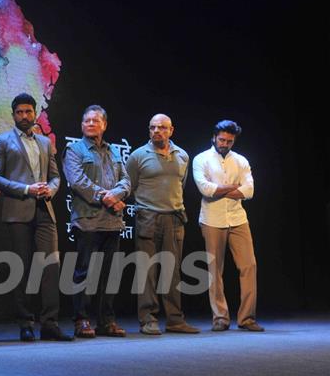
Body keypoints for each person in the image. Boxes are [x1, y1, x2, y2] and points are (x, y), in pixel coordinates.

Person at [0, 93, 73, 342]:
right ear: (13, 115)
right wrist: (27, 189)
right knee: (21, 267)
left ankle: (50, 323)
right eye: (19, 112)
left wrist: (52, 188)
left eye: (28, 111)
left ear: (35, 113)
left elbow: (56, 176)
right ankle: (25, 322)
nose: (24, 116)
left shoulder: (46, 143)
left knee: (50, 267)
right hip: (18, 209)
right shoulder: (2, 141)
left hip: (44, 209)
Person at [126, 114, 200, 335]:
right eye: (153, 127)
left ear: (171, 130)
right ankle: (148, 319)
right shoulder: (138, 156)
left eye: (162, 127)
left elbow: (181, 184)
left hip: (174, 217)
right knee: (147, 271)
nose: (157, 131)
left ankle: (175, 320)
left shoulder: (182, 156)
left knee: (173, 270)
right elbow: (130, 186)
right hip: (148, 217)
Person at [63, 105, 131, 338]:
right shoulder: (74, 150)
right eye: (87, 121)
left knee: (109, 274)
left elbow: (126, 181)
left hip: (112, 222)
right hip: (87, 221)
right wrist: (107, 197)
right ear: (82, 125)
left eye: (95, 121)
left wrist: (117, 195)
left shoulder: (113, 152)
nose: (90, 124)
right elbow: (77, 181)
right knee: (85, 272)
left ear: (104, 125)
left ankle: (107, 321)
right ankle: (81, 320)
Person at [192, 120, 263, 332]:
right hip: (212, 219)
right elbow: (206, 189)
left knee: (249, 266)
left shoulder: (240, 161)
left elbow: (249, 191)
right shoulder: (201, 159)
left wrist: (221, 189)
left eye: (229, 141)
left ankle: (247, 318)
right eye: (221, 139)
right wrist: (233, 187)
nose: (224, 144)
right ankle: (220, 318)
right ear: (214, 137)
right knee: (215, 270)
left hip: (238, 218)